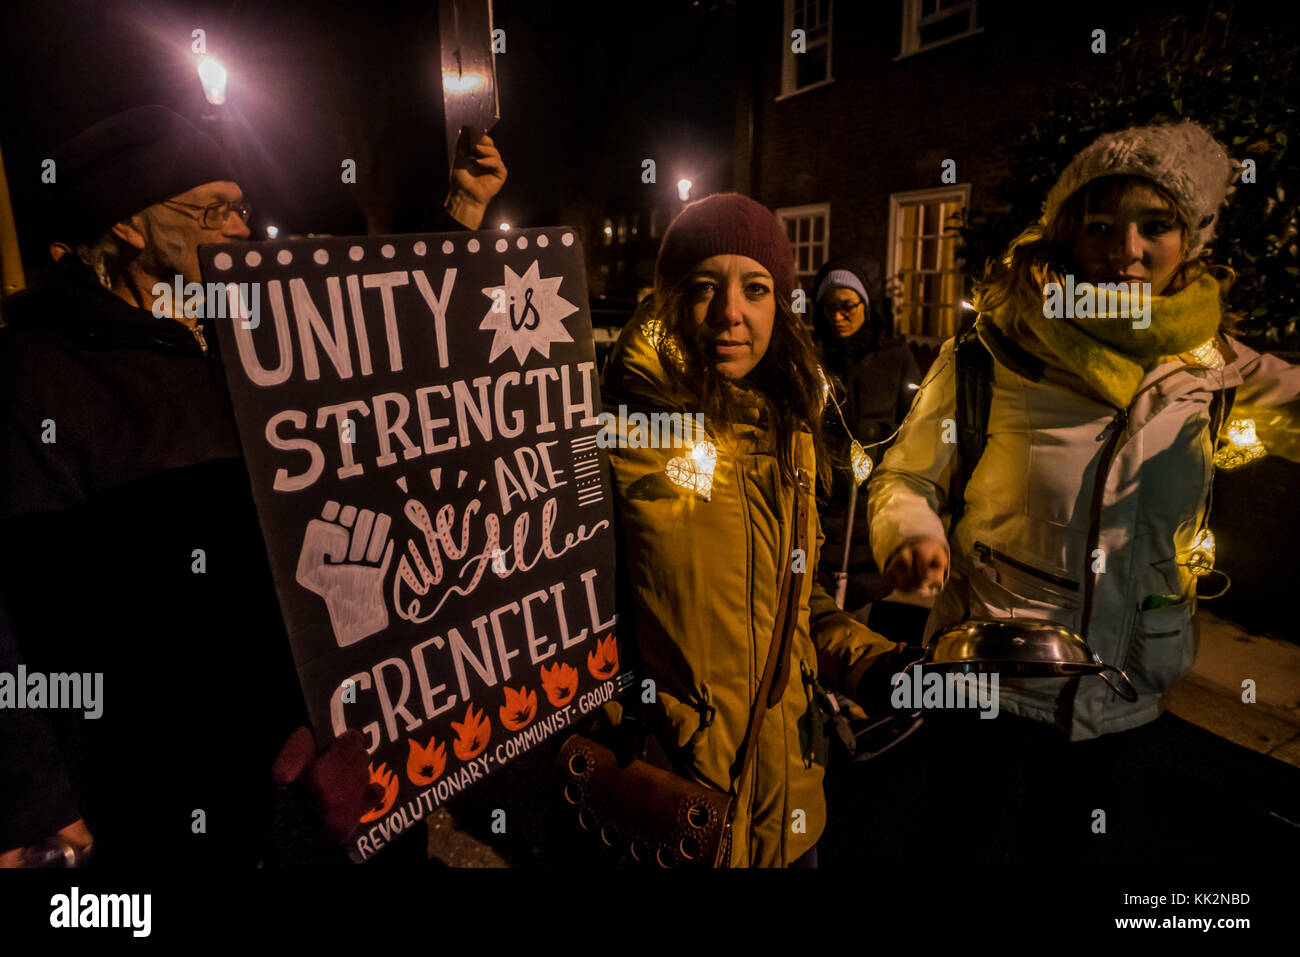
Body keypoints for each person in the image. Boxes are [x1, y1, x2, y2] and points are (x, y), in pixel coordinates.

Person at [0, 105, 506, 867]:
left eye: (240, 205)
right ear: (130, 227)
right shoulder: (40, 372)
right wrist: (37, 802)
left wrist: (460, 212)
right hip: (167, 769)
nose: (239, 226)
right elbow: (17, 606)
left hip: (321, 744)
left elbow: (396, 325)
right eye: (212, 209)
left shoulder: (253, 322)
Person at [866, 120, 1300, 863]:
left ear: (1188, 239)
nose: (1125, 250)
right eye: (1101, 225)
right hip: (986, 690)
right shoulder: (991, 351)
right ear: (1067, 235)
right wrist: (911, 532)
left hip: (1125, 701)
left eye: (1155, 225)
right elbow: (904, 475)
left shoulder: (1218, 367)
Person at [598, 193, 899, 867]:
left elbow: (792, 606)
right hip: (675, 810)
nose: (731, 313)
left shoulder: (789, 430)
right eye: (703, 288)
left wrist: (871, 661)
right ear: (666, 300)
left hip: (792, 813)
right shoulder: (620, 436)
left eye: (755, 289)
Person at [809, 257, 920, 614]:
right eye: (828, 308)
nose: (837, 317)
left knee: (857, 636)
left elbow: (915, 433)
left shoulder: (895, 359)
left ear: (865, 305)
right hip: (820, 519)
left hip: (870, 522)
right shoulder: (811, 360)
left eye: (847, 307)